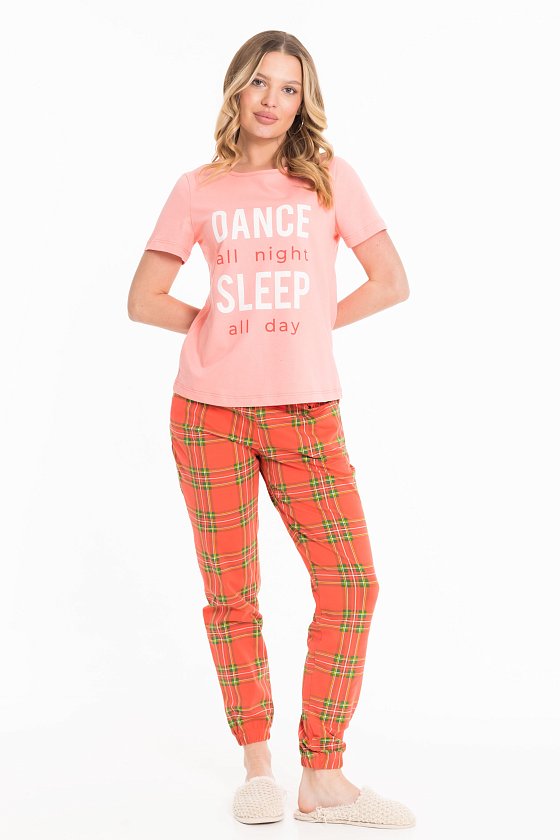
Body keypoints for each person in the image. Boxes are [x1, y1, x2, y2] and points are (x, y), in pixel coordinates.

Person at [128, 30, 415, 829]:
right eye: (260, 82)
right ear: (236, 89)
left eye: (289, 88)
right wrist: (222, 327)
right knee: (232, 593)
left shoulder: (328, 178)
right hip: (208, 415)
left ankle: (323, 774)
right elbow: (144, 298)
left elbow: (390, 281)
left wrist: (310, 323)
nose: (272, 100)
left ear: (303, 102)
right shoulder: (198, 189)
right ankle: (258, 765)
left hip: (305, 412)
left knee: (351, 583)